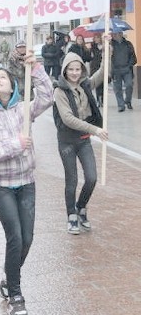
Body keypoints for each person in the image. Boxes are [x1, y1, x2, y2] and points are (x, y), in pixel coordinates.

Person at [0, 51, 53, 315]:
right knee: (15, 237)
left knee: (27, 239)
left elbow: (47, 97)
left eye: (3, 77)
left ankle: (9, 276)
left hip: (27, 182)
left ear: (13, 84)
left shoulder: (23, 109)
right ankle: (16, 296)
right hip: (2, 185)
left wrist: (37, 69)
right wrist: (16, 145)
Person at [53, 51, 107, 235]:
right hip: (67, 141)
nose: (75, 73)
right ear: (65, 70)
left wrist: (107, 49)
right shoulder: (59, 91)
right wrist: (96, 130)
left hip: (84, 141)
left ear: (82, 70)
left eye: (78, 69)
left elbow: (103, 72)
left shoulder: (85, 85)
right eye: (71, 69)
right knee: (72, 180)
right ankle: (71, 216)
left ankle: (81, 207)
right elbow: (67, 118)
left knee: (91, 178)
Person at [110, 32, 136, 112]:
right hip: (115, 70)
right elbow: (105, 56)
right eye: (113, 34)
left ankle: (127, 101)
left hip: (126, 69)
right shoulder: (110, 45)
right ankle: (121, 106)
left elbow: (133, 57)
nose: (113, 35)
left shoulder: (128, 44)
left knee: (129, 85)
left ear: (120, 34)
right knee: (118, 89)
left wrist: (129, 66)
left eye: (115, 34)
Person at [89, 33, 104, 106]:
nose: (96, 39)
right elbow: (90, 58)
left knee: (103, 85)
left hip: (102, 67)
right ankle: (99, 100)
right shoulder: (92, 47)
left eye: (97, 37)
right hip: (95, 68)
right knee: (97, 84)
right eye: (95, 38)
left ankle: (102, 99)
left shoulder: (104, 46)